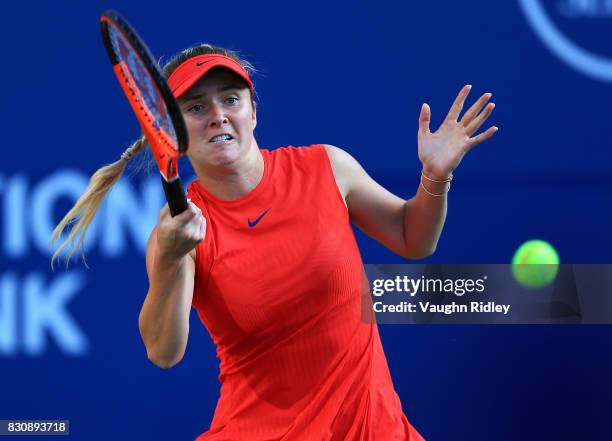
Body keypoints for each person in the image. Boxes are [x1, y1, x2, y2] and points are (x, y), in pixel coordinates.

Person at [52, 43, 497, 440]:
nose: (218, 115)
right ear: (175, 134)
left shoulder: (327, 167)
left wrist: (435, 177)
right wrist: (170, 259)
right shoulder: (178, 231)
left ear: (254, 112)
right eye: (196, 107)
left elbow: (411, 237)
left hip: (375, 428)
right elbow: (163, 352)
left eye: (231, 99)